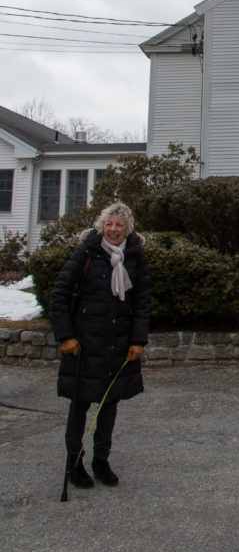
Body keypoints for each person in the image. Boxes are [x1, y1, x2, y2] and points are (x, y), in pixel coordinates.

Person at [49, 201, 151, 488]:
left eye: (119, 225)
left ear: (127, 228)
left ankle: (101, 460)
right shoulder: (87, 252)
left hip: (117, 344)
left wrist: (138, 340)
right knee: (79, 405)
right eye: (109, 224)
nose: (114, 229)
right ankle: (74, 461)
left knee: (109, 404)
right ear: (101, 227)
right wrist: (65, 336)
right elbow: (59, 295)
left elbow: (142, 301)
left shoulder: (134, 256)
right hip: (84, 344)